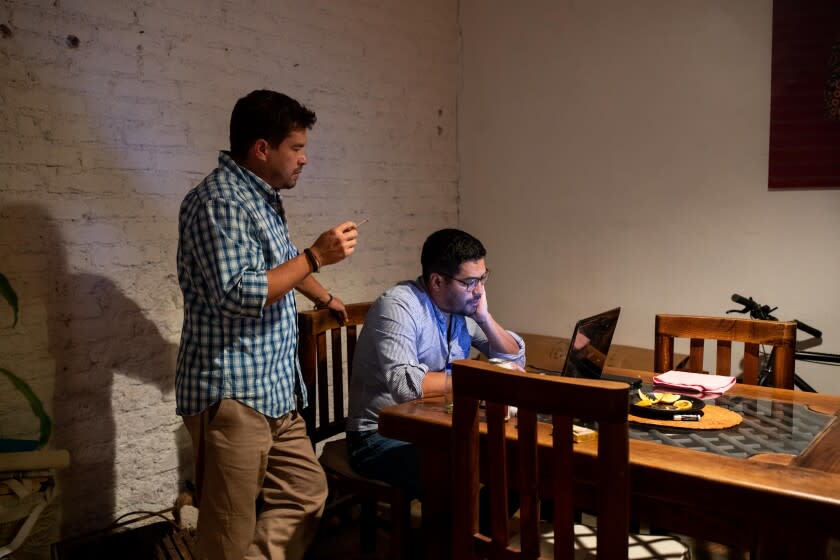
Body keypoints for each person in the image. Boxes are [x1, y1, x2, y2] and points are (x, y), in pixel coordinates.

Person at [175, 89, 360, 560]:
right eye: (296, 148)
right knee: (228, 532)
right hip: (233, 392)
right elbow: (239, 292)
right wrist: (318, 256)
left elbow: (276, 262)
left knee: (305, 495)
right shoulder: (220, 201)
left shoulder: (261, 198)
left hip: (275, 389)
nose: (304, 159)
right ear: (262, 148)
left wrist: (323, 296)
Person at [345, 228, 525, 497]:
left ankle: (468, 536)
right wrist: (479, 382)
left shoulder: (461, 308)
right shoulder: (399, 306)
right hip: (379, 435)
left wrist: (485, 318)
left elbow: (513, 358)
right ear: (437, 282)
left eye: (483, 279)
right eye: (470, 282)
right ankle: (450, 537)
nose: (479, 291)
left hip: (433, 427)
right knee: (460, 476)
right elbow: (406, 385)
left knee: (515, 464)